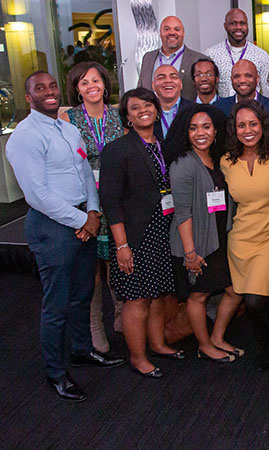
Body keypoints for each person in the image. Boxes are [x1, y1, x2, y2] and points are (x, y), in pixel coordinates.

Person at [7, 71, 125, 402]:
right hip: (51, 227)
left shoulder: (69, 129)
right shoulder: (25, 136)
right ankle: (56, 373)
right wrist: (82, 220)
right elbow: (37, 195)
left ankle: (81, 351)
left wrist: (92, 212)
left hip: (82, 220)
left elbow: (85, 171)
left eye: (52, 86)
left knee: (82, 295)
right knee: (56, 304)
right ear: (28, 97)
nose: (49, 92)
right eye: (39, 88)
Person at [100, 88, 185, 378]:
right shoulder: (117, 149)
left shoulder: (162, 144)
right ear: (127, 117)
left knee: (159, 294)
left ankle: (158, 344)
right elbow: (110, 201)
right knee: (137, 299)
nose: (142, 111)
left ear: (157, 110)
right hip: (134, 236)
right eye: (134, 108)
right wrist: (122, 246)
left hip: (162, 231)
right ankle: (138, 357)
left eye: (147, 105)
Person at [166, 104, 244, 363]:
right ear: (185, 132)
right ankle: (204, 345)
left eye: (206, 127)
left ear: (215, 130)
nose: (201, 133)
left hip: (218, 240)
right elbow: (182, 213)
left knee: (234, 291)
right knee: (198, 296)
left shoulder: (217, 158)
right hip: (196, 244)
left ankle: (217, 338)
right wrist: (190, 254)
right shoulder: (183, 164)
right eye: (193, 128)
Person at [59, 61, 125, 353]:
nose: (92, 86)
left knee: (117, 260)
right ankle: (95, 325)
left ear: (105, 83)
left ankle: (122, 316)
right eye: (84, 82)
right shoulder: (67, 119)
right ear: (77, 89)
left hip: (117, 196)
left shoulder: (119, 114)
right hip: (84, 200)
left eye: (96, 80)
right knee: (91, 266)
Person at [220, 100, 269, 372]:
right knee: (258, 302)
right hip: (240, 240)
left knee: (255, 299)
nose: (247, 130)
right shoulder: (226, 161)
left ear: (263, 125)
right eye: (241, 125)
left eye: (253, 123)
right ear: (233, 129)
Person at [204, 8, 269, 98]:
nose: (238, 27)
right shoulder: (211, 54)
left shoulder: (261, 55)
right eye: (233, 23)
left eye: (242, 23)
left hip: (253, 109)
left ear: (247, 25)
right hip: (223, 110)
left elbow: (268, 92)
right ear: (225, 26)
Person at [137, 16, 207, 101]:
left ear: (183, 33)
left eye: (177, 29)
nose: (172, 33)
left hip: (186, 113)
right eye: (167, 29)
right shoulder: (148, 58)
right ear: (160, 33)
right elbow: (140, 91)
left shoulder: (199, 60)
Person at [214, 60, 269, 131]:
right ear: (231, 79)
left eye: (248, 75)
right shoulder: (219, 108)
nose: (242, 80)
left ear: (257, 79)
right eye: (237, 76)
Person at [152, 64, 195, 140]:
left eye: (173, 77)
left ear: (181, 84)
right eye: (161, 78)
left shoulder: (195, 110)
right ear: (153, 86)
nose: (168, 81)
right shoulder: (148, 113)